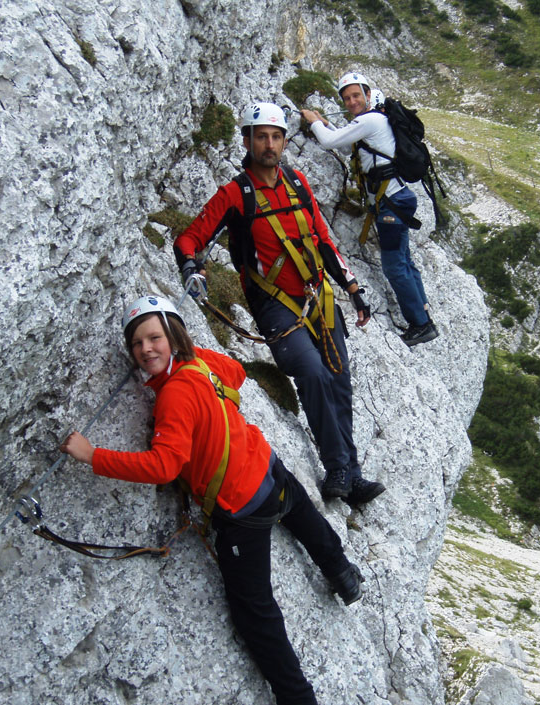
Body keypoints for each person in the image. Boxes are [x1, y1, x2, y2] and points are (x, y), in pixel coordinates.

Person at [60, 295, 364, 705]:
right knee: (304, 516)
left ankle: (298, 698)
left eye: (154, 338)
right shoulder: (198, 365)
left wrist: (92, 455)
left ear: (173, 336)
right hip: (268, 469)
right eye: (137, 343)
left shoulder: (173, 396)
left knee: (253, 612)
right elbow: (236, 373)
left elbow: (163, 466)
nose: (145, 349)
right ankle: (342, 572)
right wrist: (189, 352)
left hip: (242, 511)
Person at [173, 102, 385, 506]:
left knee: (338, 381)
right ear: (248, 141)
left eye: (275, 137)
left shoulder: (298, 184)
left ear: (284, 142)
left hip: (318, 297)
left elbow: (323, 240)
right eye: (261, 137)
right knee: (311, 371)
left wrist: (353, 288)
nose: (269, 145)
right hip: (274, 305)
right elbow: (191, 237)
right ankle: (338, 468)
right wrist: (190, 266)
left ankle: (350, 476)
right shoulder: (235, 195)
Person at [301, 73, 438, 347]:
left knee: (394, 266)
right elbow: (346, 137)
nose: (351, 102)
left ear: (367, 94)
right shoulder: (373, 120)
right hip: (398, 198)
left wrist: (315, 122)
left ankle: (420, 325)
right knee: (405, 261)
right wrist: (327, 124)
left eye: (356, 96)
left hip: (392, 202)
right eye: (346, 98)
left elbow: (330, 142)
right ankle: (423, 316)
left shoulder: (370, 119)